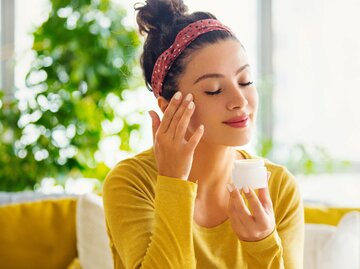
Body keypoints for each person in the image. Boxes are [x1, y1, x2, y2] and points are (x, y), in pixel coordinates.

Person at [103, 0, 304, 268]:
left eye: (245, 81)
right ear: (168, 106)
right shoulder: (132, 182)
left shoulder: (278, 188)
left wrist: (262, 244)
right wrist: (172, 182)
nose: (239, 100)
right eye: (214, 89)